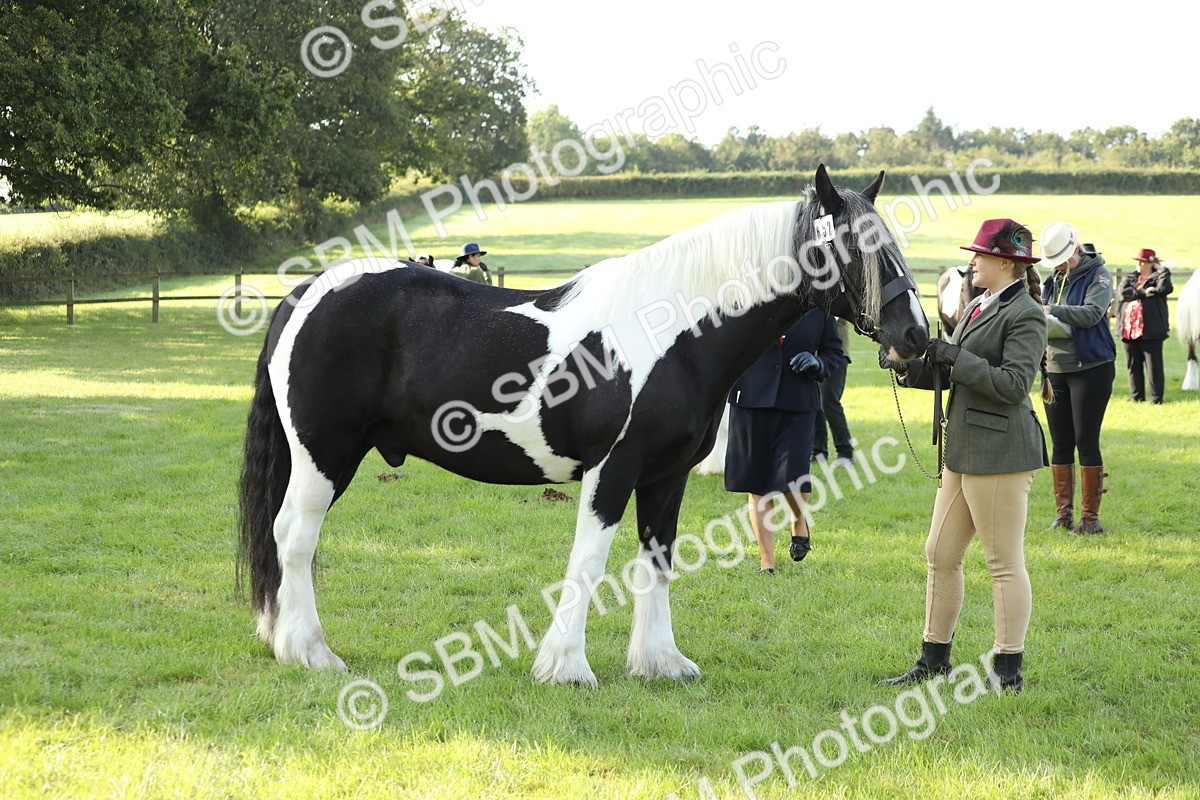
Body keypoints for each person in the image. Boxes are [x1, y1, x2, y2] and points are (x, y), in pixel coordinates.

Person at [879, 219, 1049, 692]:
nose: (971, 262)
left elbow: (1013, 385)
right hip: (964, 449)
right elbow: (950, 372)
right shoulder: (977, 304)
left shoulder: (1026, 313)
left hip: (1001, 451)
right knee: (940, 552)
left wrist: (956, 356)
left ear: (1004, 263)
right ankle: (934, 659)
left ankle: (1007, 670)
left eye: (979, 255)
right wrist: (907, 370)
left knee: (1002, 563)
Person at [724, 309, 845, 574]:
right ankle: (766, 562)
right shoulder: (747, 300)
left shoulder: (819, 309)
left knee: (794, 476)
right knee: (757, 483)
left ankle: (799, 519)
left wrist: (818, 363)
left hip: (798, 400)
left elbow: (834, 352)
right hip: (750, 398)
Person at [1038, 223, 1117, 534]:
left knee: (1086, 441)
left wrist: (1053, 309)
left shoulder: (1099, 276)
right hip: (1056, 370)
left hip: (1091, 368)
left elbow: (1091, 313)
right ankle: (1063, 515)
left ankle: (1090, 520)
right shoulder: (1052, 279)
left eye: (1061, 260)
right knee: (1060, 443)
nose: (1057, 266)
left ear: (1075, 252)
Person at [1117, 248, 1174, 404]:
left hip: (1150, 329)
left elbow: (1164, 288)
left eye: (1143, 262)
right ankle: (1136, 396)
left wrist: (1164, 271)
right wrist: (1143, 293)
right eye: (1139, 262)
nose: (1139, 265)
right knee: (1133, 365)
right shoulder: (1131, 278)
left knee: (1154, 366)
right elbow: (1123, 293)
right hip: (1129, 329)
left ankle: (1156, 399)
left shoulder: (1159, 278)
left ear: (1151, 264)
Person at [811, 318, 856, 466]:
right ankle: (818, 452)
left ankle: (845, 452)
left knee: (828, 401)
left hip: (837, 353)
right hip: (813, 354)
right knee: (814, 401)